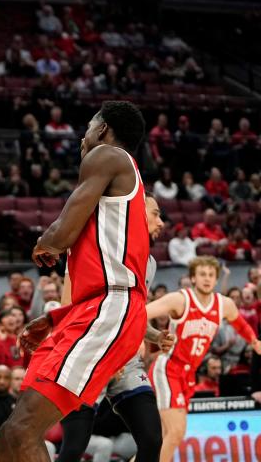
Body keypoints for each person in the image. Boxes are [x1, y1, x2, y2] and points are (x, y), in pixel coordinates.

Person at [0, 101, 149, 462]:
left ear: (104, 130)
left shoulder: (106, 155)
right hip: (96, 308)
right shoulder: (120, 175)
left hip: (110, 306)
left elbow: (59, 235)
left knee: (21, 430)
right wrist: (56, 319)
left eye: (88, 129)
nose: (83, 138)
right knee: (8, 436)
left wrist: (46, 240)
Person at [51, 195, 172, 462]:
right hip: (89, 355)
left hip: (125, 359)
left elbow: (132, 314)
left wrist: (153, 335)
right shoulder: (96, 248)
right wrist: (104, 354)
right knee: (73, 449)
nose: (161, 222)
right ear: (134, 213)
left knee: (152, 440)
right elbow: (68, 309)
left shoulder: (149, 262)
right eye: (156, 213)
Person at [146, 256, 261, 462]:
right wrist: (151, 336)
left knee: (168, 437)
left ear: (216, 279)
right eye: (202, 274)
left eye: (211, 275)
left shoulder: (224, 305)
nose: (207, 279)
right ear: (193, 278)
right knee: (176, 432)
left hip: (188, 375)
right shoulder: (180, 299)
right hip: (168, 369)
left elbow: (239, 322)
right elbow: (141, 313)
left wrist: (254, 341)